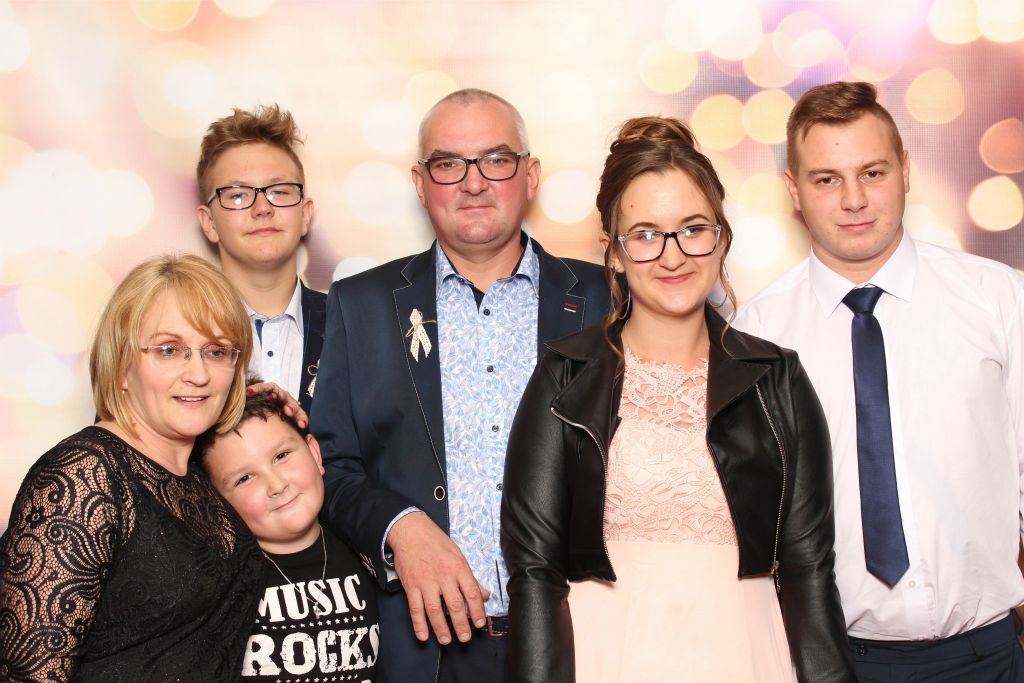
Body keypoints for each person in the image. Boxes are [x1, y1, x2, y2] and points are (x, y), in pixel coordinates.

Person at [501, 116, 855, 682]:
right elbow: (535, 573)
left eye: (693, 229)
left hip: (746, 657)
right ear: (613, 252)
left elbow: (809, 569)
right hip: (606, 658)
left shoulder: (777, 378)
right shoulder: (564, 375)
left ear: (722, 237)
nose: (673, 257)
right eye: (645, 235)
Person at [310, 88, 611, 682]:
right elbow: (331, 465)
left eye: (496, 160)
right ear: (421, 184)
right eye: (448, 164)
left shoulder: (605, 298)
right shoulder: (361, 305)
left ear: (530, 175)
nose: (473, 183)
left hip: (580, 635)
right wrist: (399, 526)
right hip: (426, 648)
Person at [734, 81, 1024, 681]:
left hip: (988, 654)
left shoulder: (998, 298)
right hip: (832, 659)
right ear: (793, 189)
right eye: (826, 179)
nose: (854, 200)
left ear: (906, 170)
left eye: (872, 172)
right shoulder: (757, 333)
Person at [0, 254, 263, 681]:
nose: (199, 374)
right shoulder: (84, 474)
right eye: (169, 350)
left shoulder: (196, 478)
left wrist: (272, 410)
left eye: (216, 352)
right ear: (122, 366)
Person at [195, 383, 379, 682]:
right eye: (245, 478)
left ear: (315, 453)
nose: (277, 485)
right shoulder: (216, 582)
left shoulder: (367, 554)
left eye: (281, 456)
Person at [197, 104, 325, 413]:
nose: (263, 208)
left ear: (305, 214)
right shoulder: (170, 331)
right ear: (209, 223)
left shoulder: (354, 327)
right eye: (237, 195)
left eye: (279, 192)